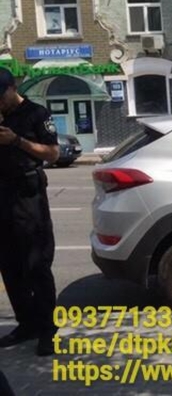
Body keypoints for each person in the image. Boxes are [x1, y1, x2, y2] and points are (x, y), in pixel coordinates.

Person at [0, 68, 60, 356]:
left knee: (37, 265)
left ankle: (48, 330)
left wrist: (17, 141)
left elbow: (53, 153)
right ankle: (27, 324)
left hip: (29, 197)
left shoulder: (36, 114)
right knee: (10, 266)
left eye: (0, 96)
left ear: (13, 88)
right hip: (2, 197)